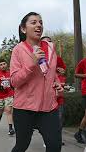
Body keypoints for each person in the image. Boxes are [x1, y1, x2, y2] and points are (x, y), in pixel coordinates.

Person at [10, 12, 64, 152]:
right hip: (24, 109)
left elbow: (50, 72)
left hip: (49, 107)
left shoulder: (51, 47)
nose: (39, 25)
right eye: (33, 22)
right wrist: (31, 64)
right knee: (22, 146)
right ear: (23, 29)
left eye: (40, 22)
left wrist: (57, 82)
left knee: (54, 146)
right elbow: (15, 81)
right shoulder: (18, 50)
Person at [42, 36, 67, 146]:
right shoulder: (39, 59)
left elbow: (63, 71)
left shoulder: (57, 58)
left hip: (58, 95)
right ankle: (48, 139)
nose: (48, 44)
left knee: (59, 118)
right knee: (47, 121)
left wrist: (61, 71)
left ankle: (57, 139)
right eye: (45, 42)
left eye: (50, 42)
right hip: (45, 96)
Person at [0, 58, 15, 136]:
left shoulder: (10, 73)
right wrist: (0, 87)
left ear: (6, 64)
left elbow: (13, 82)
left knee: (8, 110)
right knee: (1, 109)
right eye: (1, 65)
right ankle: (0, 115)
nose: (3, 66)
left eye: (4, 64)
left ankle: (10, 128)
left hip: (9, 94)